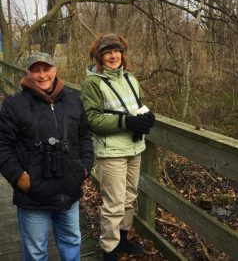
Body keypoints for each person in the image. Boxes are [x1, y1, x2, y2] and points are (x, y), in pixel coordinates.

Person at [0, 52, 94, 261]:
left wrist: (85, 167)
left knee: (72, 241)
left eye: (46, 69)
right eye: (36, 70)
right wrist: (18, 177)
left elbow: (85, 136)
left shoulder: (73, 100)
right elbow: (3, 146)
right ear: (28, 73)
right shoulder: (14, 105)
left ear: (55, 70)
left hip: (68, 189)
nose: (42, 75)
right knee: (36, 251)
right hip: (33, 194)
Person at [81, 34, 155, 261]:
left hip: (134, 147)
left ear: (122, 54)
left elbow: (138, 104)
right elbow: (91, 119)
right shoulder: (93, 82)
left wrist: (146, 116)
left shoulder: (131, 78)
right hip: (111, 151)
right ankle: (109, 250)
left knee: (129, 197)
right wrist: (126, 122)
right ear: (99, 56)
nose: (113, 56)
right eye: (108, 52)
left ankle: (123, 239)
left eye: (117, 51)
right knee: (113, 203)